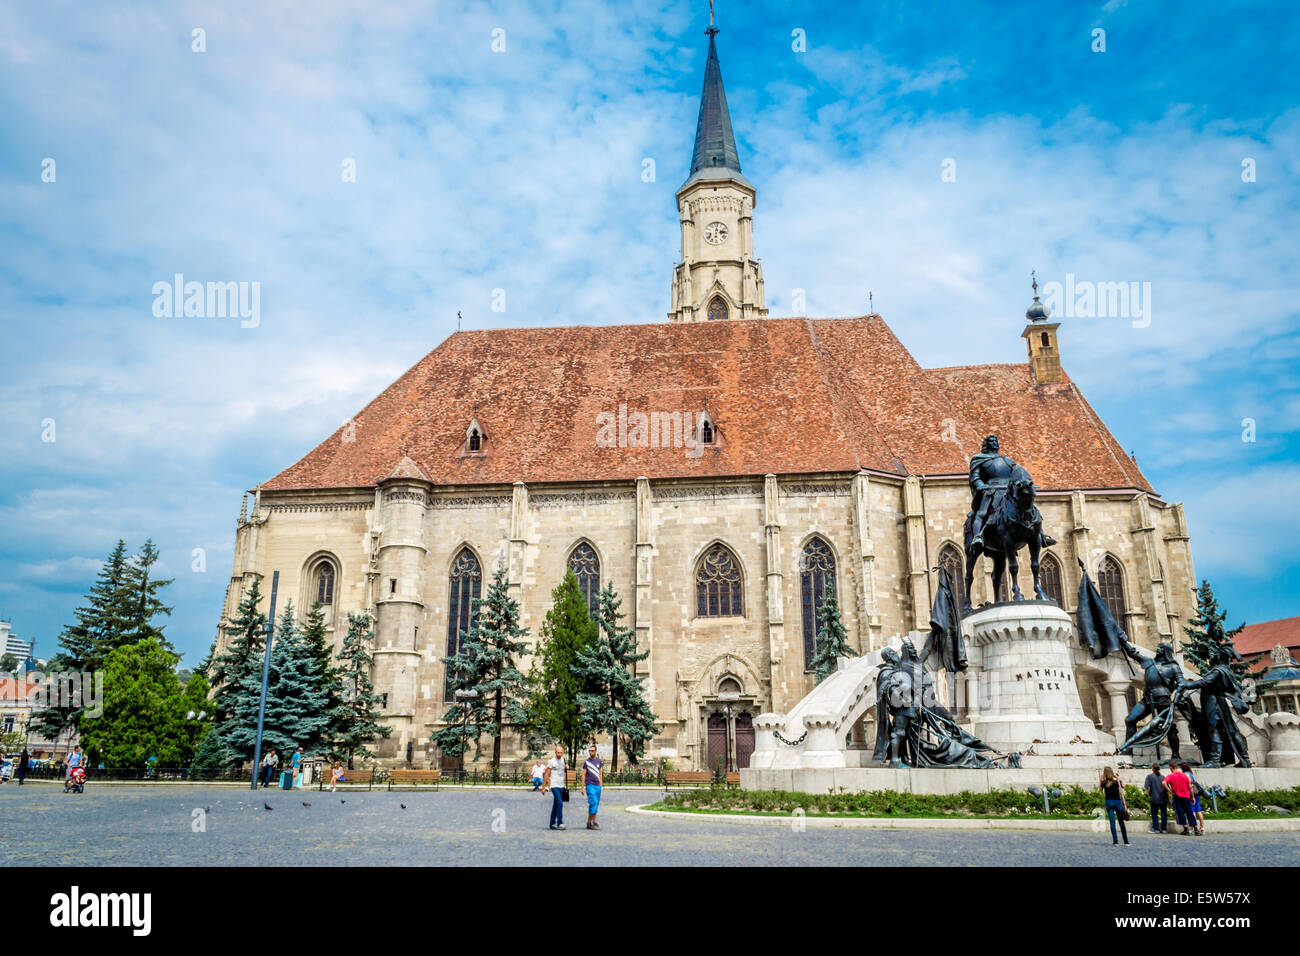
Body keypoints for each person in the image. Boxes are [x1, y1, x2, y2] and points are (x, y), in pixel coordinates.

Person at [1099, 766, 1130, 846]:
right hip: (1117, 802)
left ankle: (1115, 841)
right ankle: (1126, 841)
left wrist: (1101, 780)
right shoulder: (1116, 782)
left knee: (1112, 822)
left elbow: (1100, 790)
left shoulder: (1104, 782)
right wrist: (1117, 777)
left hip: (1109, 802)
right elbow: (1124, 786)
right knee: (1121, 822)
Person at [1163, 759, 1195, 834]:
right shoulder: (1184, 775)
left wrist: (1169, 790)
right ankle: (1195, 828)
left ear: (1171, 767)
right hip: (1186, 796)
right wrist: (1192, 797)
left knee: (1180, 812)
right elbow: (1190, 787)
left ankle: (1185, 828)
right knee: (1189, 812)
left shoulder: (1171, 775)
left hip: (1177, 796)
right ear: (1177, 767)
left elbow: (1164, 783)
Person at [542, 744, 567, 830]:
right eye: (558, 753)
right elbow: (546, 774)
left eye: (561, 753)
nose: (559, 754)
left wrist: (566, 767)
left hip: (561, 785)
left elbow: (564, 771)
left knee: (556, 804)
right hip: (554, 785)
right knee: (560, 803)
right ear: (555, 752)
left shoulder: (563, 760)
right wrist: (544, 787)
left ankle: (552, 823)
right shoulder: (551, 761)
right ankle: (560, 822)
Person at [583, 743, 604, 830]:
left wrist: (601, 785)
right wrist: (582, 787)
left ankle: (589, 822)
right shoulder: (586, 762)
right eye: (589, 751)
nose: (590, 752)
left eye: (592, 751)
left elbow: (600, 773)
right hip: (590, 785)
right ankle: (593, 822)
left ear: (595, 751)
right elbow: (583, 775)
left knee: (595, 804)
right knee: (593, 802)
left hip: (597, 786)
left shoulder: (599, 761)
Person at [1143, 763, 1168, 833]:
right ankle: (1164, 829)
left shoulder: (1149, 777)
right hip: (1163, 798)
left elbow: (1146, 787)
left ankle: (1156, 828)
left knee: (1154, 814)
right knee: (1164, 814)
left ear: (1152, 769)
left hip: (1154, 798)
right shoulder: (1163, 777)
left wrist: (1148, 794)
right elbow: (1166, 788)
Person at [1185, 763, 1206, 836]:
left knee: (1192, 811)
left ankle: (1193, 827)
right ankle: (1202, 827)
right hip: (1197, 793)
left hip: (1191, 794)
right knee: (1199, 810)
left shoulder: (1186, 775)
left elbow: (1190, 785)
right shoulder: (1191, 774)